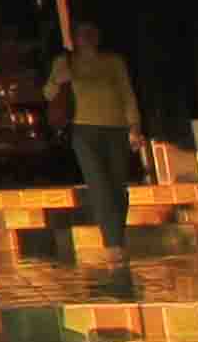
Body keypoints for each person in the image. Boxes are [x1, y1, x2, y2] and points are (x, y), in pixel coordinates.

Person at [47, 16, 140, 245]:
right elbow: (48, 93)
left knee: (118, 186)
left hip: (116, 127)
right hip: (84, 129)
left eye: (92, 32)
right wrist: (58, 81)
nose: (87, 38)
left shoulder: (113, 62)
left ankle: (118, 232)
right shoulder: (65, 62)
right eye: (83, 33)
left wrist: (134, 126)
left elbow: (126, 93)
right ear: (75, 38)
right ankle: (113, 242)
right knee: (99, 184)